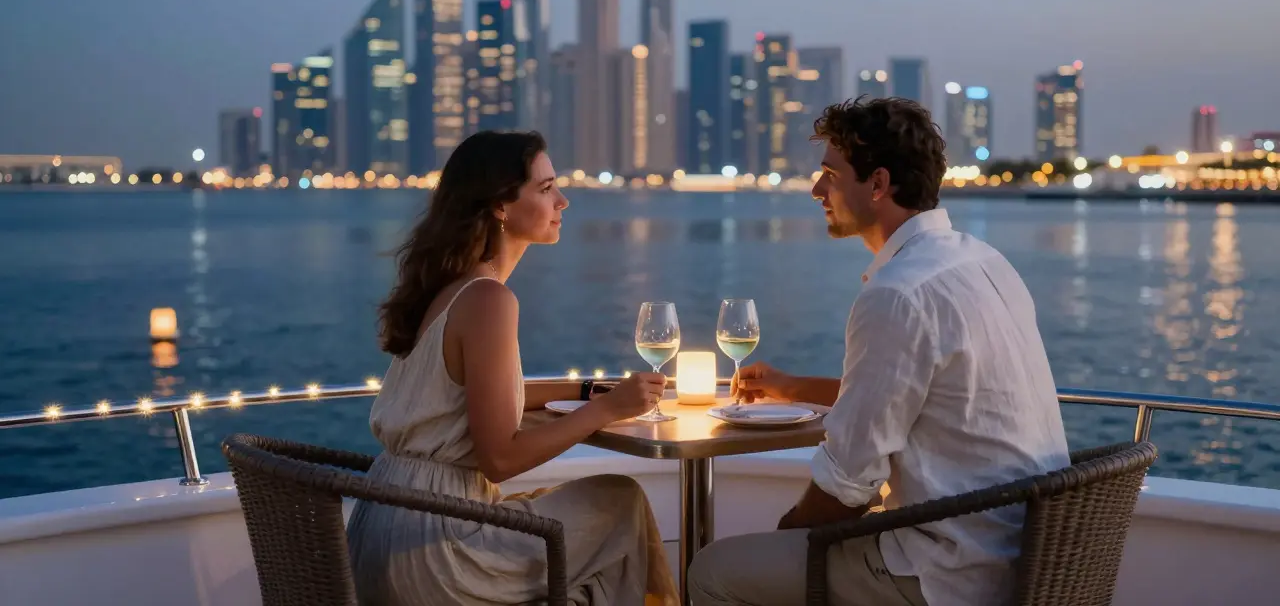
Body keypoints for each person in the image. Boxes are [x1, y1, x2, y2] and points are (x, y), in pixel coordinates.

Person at [688, 97, 1070, 606]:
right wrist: (788, 386)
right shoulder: (983, 262)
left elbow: (849, 483)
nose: (816, 189)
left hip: (944, 571)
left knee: (713, 569)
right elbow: (920, 401)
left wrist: (787, 533)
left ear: (878, 184)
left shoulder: (898, 293)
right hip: (1021, 557)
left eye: (830, 173)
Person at [346, 130, 679, 606]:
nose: (562, 201)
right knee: (619, 502)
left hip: (385, 525)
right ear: (500, 205)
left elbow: (474, 390)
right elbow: (500, 459)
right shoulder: (488, 299)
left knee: (590, 512)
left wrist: (585, 390)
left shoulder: (448, 288)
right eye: (545, 189)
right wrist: (610, 410)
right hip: (439, 548)